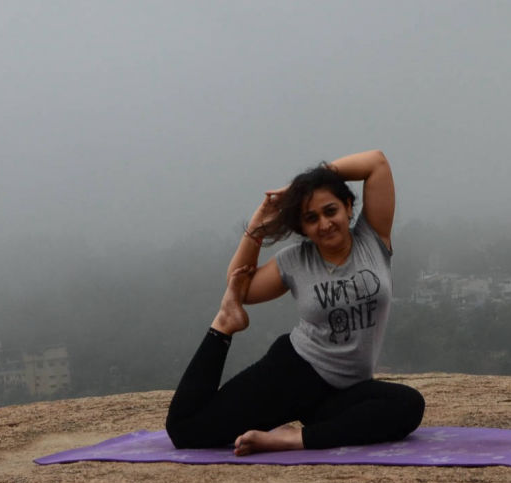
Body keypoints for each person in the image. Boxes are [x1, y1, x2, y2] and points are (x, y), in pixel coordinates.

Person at [165, 149, 425, 456]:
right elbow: (241, 287)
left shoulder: (373, 240)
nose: (325, 224)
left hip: (345, 391)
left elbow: (376, 163)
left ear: (348, 206)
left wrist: (304, 185)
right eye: (311, 218)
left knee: (408, 406)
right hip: (295, 373)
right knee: (186, 431)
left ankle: (292, 439)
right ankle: (224, 323)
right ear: (302, 227)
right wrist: (257, 228)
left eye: (331, 211)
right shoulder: (295, 261)